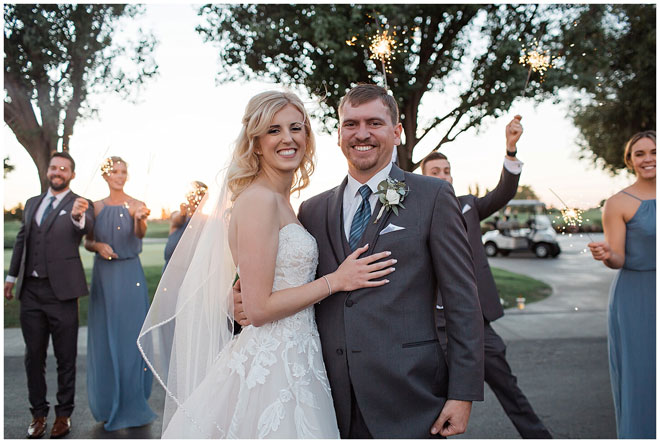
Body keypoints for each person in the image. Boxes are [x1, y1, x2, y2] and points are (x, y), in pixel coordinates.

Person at [138, 91, 395, 438]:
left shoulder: (286, 202)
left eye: (295, 128)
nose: (288, 138)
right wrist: (336, 280)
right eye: (274, 130)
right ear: (256, 143)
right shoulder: (258, 200)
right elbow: (258, 309)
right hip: (273, 368)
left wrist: (236, 293)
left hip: (300, 356)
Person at [238, 84, 485, 438]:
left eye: (374, 123)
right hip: (327, 395)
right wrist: (235, 298)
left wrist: (462, 394)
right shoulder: (312, 209)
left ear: (396, 132)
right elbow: (274, 276)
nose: (362, 134)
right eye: (351, 124)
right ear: (339, 134)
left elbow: (463, 300)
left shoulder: (433, 196)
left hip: (411, 395)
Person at [421, 116, 553, 438]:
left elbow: (504, 192)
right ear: (422, 178)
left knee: (510, 389)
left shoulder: (468, 206)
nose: (443, 176)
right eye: (435, 172)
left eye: (446, 170)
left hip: (478, 320)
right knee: (434, 401)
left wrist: (510, 149)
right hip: (434, 325)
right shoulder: (416, 213)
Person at [4, 151, 95, 439]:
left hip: (63, 293)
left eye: (63, 169)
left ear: (72, 174)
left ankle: (63, 415)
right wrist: (11, 277)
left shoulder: (81, 203)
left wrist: (78, 216)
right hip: (31, 292)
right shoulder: (33, 203)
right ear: (48, 171)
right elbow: (22, 240)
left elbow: (86, 228)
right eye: (54, 167)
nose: (57, 172)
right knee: (33, 357)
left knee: (66, 357)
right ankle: (38, 415)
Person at [588, 130, 656, 438]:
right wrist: (607, 255)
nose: (648, 159)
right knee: (641, 377)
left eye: (654, 151)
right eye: (639, 154)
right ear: (630, 160)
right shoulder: (617, 203)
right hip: (636, 298)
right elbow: (618, 257)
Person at [83, 156, 157, 431]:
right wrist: (98, 246)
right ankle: (107, 403)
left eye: (123, 171)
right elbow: (88, 241)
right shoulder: (95, 207)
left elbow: (140, 234)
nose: (119, 175)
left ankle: (133, 401)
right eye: (114, 171)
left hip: (130, 275)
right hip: (104, 277)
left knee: (131, 339)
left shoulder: (137, 204)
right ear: (105, 176)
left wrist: (139, 220)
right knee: (106, 338)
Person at [163, 181, 208, 270]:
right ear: (188, 196)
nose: (197, 198)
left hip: (194, 269)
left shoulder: (207, 220)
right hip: (172, 268)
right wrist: (183, 213)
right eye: (194, 194)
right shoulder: (178, 215)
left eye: (200, 195)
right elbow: (178, 219)